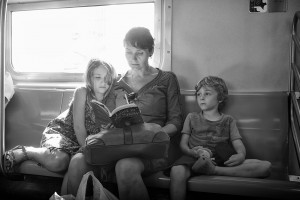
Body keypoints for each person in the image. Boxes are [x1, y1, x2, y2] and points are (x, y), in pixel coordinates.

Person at [63, 27, 183, 200]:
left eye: (139, 53)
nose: (133, 59)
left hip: (155, 145)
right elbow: (109, 116)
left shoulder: (167, 79)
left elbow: (176, 121)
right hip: (122, 144)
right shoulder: (117, 83)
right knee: (77, 162)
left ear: (150, 51)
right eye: (128, 52)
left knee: (125, 166)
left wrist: (150, 135)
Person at [2, 58, 116, 174]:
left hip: (86, 142)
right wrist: (87, 150)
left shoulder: (112, 98)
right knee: (58, 162)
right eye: (98, 77)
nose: (104, 82)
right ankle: (27, 151)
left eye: (107, 79)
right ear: (89, 78)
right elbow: (78, 127)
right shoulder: (82, 92)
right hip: (64, 133)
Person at [169, 76, 272, 200]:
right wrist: (192, 152)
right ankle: (205, 168)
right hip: (194, 159)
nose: (201, 97)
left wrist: (241, 155)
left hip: (221, 160)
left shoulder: (228, 120)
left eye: (207, 93)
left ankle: (213, 170)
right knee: (176, 171)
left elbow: (237, 143)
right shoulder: (191, 117)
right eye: (198, 94)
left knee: (265, 167)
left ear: (220, 98)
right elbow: (183, 144)